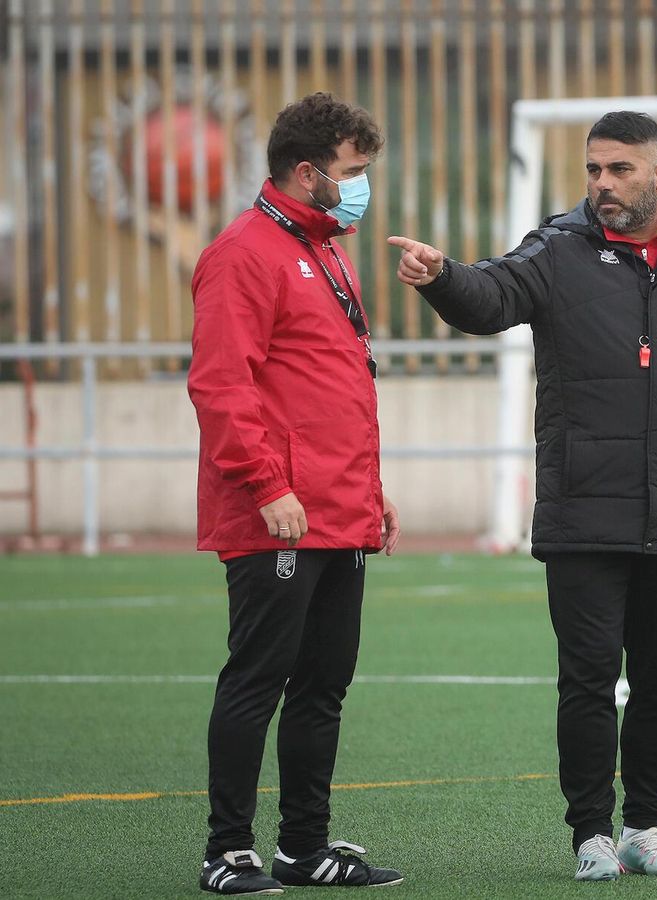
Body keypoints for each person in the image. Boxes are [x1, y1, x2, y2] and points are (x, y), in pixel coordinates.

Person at [387, 110, 657, 882]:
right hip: (582, 513)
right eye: (593, 171)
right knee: (586, 682)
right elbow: (491, 296)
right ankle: (592, 835)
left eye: (620, 170)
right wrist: (443, 277)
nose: (603, 185)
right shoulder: (558, 251)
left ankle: (646, 827)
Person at [188, 92, 403, 895]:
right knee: (258, 680)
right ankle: (227, 851)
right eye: (352, 173)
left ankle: (304, 848)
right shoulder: (245, 251)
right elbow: (220, 385)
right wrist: (270, 485)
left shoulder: (325, 249)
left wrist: (371, 492)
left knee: (323, 687)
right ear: (308, 173)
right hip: (274, 512)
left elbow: (333, 389)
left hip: (338, 512)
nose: (361, 187)